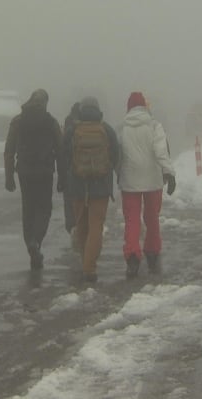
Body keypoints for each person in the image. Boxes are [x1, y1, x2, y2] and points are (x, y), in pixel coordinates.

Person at [4, 89, 65, 270]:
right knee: (44, 209)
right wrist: (62, 177)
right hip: (44, 172)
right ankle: (36, 242)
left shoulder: (18, 121)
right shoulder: (51, 122)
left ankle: (31, 245)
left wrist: (9, 177)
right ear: (45, 102)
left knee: (28, 210)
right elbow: (61, 151)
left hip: (24, 172)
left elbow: (9, 151)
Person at [117, 91, 176, 278]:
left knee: (132, 220)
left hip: (130, 182)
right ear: (144, 106)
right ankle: (152, 251)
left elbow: (117, 155)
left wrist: (118, 173)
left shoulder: (122, 128)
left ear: (129, 107)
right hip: (153, 181)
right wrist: (169, 173)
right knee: (152, 218)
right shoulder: (154, 125)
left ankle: (133, 256)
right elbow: (161, 151)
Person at [63, 96, 119, 283]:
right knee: (96, 226)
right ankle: (90, 267)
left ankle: (85, 261)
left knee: (81, 225)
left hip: (77, 186)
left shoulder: (72, 130)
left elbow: (64, 156)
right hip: (100, 187)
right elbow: (116, 155)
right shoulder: (107, 130)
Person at [62, 102, 82, 235]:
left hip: (70, 168)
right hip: (85, 169)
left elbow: (63, 147)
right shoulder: (91, 124)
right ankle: (81, 226)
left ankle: (72, 226)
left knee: (69, 199)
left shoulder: (68, 123)